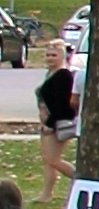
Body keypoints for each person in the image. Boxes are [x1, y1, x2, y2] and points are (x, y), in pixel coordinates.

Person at [31, 55, 70, 199]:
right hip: (46, 123)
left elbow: (62, 103)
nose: (50, 58)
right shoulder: (50, 73)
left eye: (54, 55)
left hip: (55, 124)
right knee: (48, 161)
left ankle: (80, 178)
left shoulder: (63, 74)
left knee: (53, 160)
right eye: (48, 55)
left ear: (62, 56)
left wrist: (50, 124)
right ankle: (46, 194)